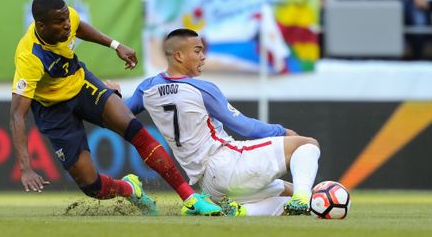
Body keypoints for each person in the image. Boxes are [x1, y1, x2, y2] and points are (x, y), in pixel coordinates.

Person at [9, 0, 223, 216]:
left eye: (67, 19)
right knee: (91, 185)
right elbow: (17, 116)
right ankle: (130, 188)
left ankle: (189, 198)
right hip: (53, 109)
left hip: (81, 84)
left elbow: (79, 26)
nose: (67, 25)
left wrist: (115, 45)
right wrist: (25, 168)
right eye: (60, 22)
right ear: (41, 26)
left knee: (134, 128)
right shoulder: (29, 58)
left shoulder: (67, 17)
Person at [121, 28, 321, 216]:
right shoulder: (200, 88)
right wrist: (282, 131)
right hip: (226, 163)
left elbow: (121, 112)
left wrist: (111, 94)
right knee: (307, 145)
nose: (203, 57)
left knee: (289, 191)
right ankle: (302, 199)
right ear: (179, 56)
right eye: (198, 51)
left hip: (208, 187)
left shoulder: (146, 89)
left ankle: (244, 212)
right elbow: (245, 127)